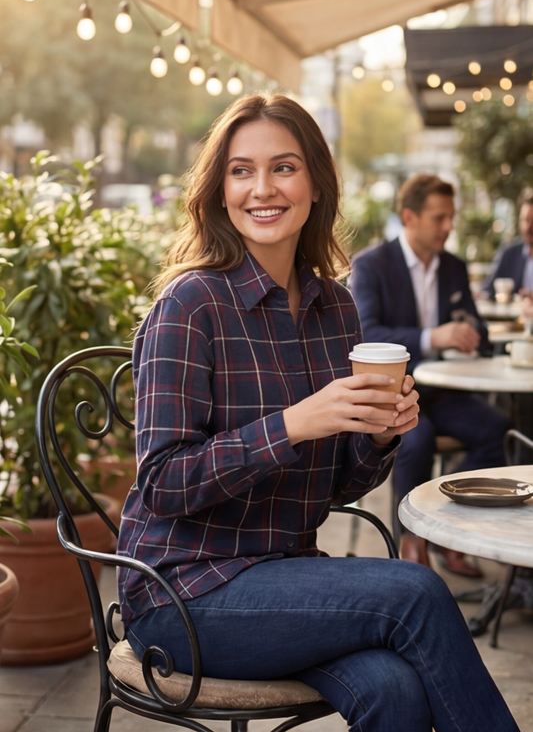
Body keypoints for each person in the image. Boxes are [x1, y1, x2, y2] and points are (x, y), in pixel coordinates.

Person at [118, 101, 519, 732]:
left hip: (287, 578)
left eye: (284, 167)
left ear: (315, 185)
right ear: (220, 192)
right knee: (415, 592)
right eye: (242, 171)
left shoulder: (337, 309)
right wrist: (290, 425)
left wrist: (378, 436)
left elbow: (338, 487)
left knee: (394, 690)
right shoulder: (190, 305)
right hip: (184, 592)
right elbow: (163, 484)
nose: (263, 189)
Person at [348, 174, 509, 574]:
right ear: (409, 217)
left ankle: (441, 524)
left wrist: (471, 333)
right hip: (397, 392)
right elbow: (366, 333)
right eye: (440, 218)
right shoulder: (371, 265)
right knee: (414, 442)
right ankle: (413, 539)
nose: (448, 227)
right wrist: (432, 336)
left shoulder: (453, 267)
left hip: (444, 388)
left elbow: (480, 330)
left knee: (499, 433)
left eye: (451, 217)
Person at [483, 191, 533, 298]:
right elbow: (488, 289)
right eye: (525, 220)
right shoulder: (509, 253)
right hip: (512, 314)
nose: (528, 227)